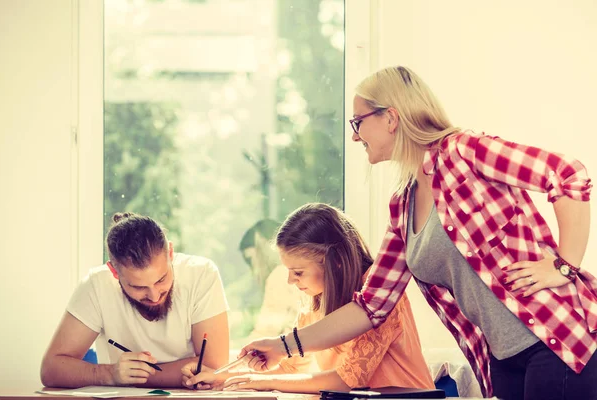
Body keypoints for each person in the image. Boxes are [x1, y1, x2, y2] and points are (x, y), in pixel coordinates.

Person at [238, 66, 597, 399]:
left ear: (390, 118)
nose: (353, 135)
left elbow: (566, 173)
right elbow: (370, 307)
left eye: (358, 121)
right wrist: (283, 345)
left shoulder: (464, 152)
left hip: (559, 342)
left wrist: (565, 265)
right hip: (503, 360)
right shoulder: (403, 206)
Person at [180, 203, 434, 393]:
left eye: (298, 272)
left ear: (333, 263)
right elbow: (295, 366)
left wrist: (261, 381)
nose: (291, 281)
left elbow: (347, 380)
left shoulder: (379, 295)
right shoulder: (315, 300)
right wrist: (223, 377)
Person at [40, 212, 230, 388]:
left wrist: (135, 377)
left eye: (161, 279)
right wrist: (109, 373)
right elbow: (51, 369)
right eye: (138, 287)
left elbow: (213, 367)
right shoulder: (97, 285)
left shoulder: (201, 274)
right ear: (114, 272)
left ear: (170, 253)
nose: (154, 296)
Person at [239, 218, 301, 339]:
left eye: (250, 259)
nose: (253, 268)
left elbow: (266, 332)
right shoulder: (297, 272)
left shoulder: (280, 276)